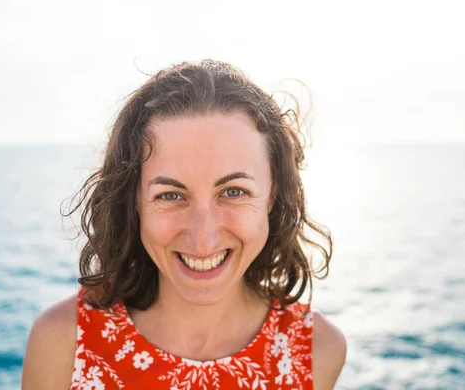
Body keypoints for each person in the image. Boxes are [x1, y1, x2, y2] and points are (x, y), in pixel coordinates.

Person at [22, 60, 346, 389]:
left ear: (273, 196)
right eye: (170, 195)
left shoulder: (318, 351)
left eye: (234, 192)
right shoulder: (64, 339)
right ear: (133, 201)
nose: (202, 240)